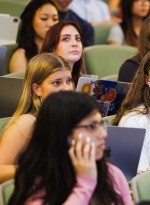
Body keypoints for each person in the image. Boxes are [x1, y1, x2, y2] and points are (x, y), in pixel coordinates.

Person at [8, 91, 132, 204]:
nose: (103, 134)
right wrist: (85, 184)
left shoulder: (111, 174)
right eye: (91, 126)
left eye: (101, 124)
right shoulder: (37, 182)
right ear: (62, 133)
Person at [0, 53, 73, 183]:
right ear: (37, 89)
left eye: (69, 81)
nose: (66, 88)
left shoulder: (69, 116)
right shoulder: (26, 122)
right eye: (57, 82)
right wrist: (38, 170)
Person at [9, 0, 59, 73]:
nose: (51, 24)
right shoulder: (21, 56)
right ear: (30, 20)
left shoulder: (61, 49)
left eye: (55, 19)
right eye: (44, 18)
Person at [41, 21, 85, 86]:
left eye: (77, 39)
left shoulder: (84, 83)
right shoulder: (45, 82)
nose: (75, 44)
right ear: (52, 48)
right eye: (66, 39)